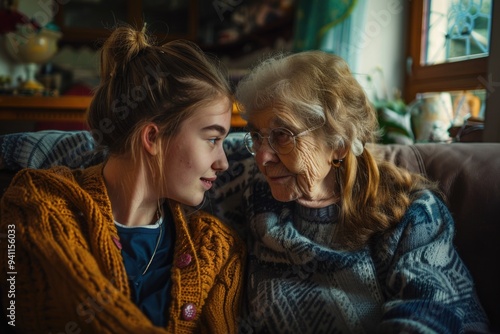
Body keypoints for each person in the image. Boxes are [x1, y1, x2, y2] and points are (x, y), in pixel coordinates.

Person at [211, 51, 490, 333]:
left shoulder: (411, 214)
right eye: (257, 136)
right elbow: (190, 151)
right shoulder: (251, 184)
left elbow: (431, 310)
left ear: (339, 143)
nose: (262, 157)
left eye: (282, 135)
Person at [0, 26, 245, 333]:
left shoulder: (217, 250)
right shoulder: (38, 204)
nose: (223, 162)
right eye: (212, 139)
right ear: (153, 138)